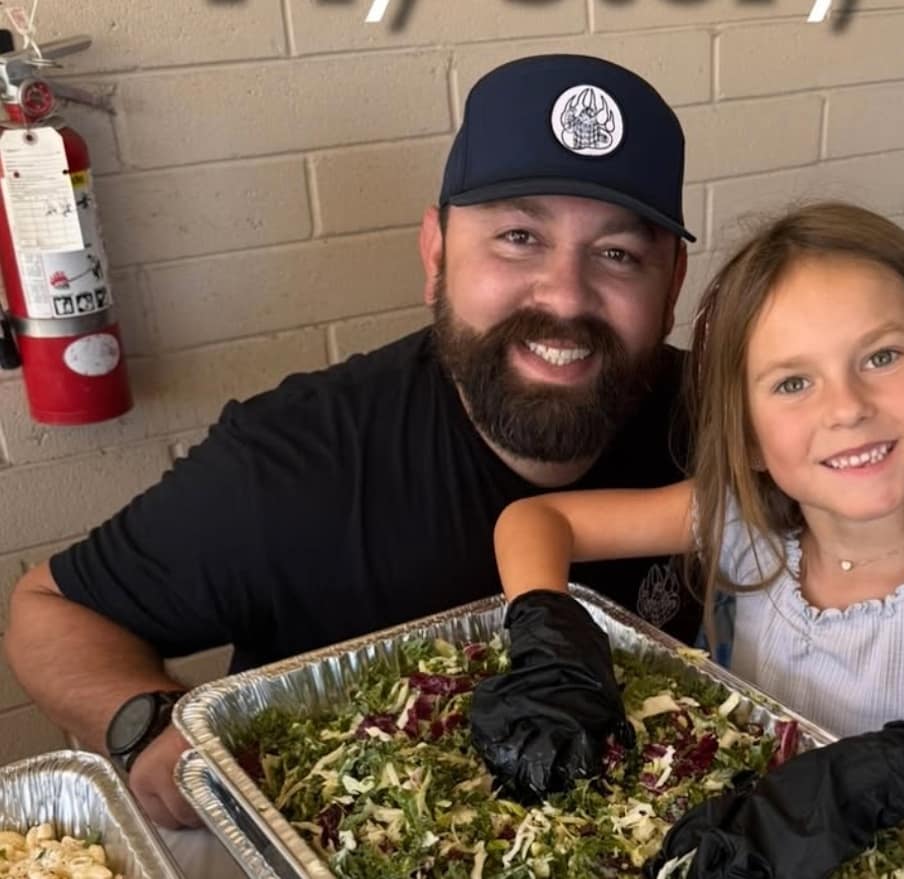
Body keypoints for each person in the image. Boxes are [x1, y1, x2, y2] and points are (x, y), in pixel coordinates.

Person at [3, 54, 702, 877]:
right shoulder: (295, 463)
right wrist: (148, 726)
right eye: (519, 237)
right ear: (436, 252)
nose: (566, 295)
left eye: (619, 255)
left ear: (673, 283)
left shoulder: (719, 421)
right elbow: (47, 611)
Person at [471, 202, 904, 877]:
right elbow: (536, 521)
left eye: (882, 355)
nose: (846, 407)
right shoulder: (741, 518)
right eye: (794, 381)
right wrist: (548, 637)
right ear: (750, 437)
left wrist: (875, 773)